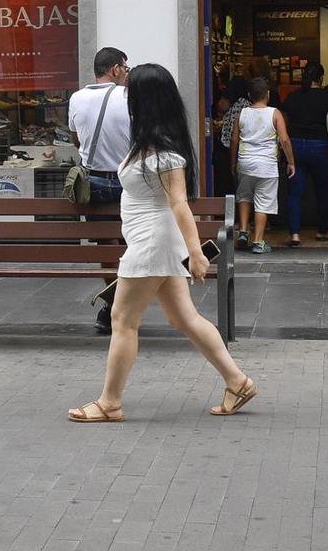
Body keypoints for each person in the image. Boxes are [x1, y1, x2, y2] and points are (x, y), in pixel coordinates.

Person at [68, 63, 257, 422]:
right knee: (184, 317)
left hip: (152, 244)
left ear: (144, 100)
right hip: (154, 241)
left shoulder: (163, 153)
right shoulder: (149, 144)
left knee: (123, 318)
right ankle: (238, 381)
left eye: (130, 91)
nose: (126, 95)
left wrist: (197, 253)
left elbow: (179, 204)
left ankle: (110, 402)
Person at [69, 47, 132, 331]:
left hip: (93, 183)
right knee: (132, 245)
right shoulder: (130, 96)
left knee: (108, 245)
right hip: (127, 182)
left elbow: (76, 139)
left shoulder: (76, 98)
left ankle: (114, 303)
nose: (128, 74)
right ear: (116, 69)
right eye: (127, 69)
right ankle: (123, 305)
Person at [282, 63, 328, 246]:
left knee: (295, 192)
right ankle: (323, 231)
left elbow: (283, 124)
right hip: (320, 147)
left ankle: (295, 234)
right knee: (324, 191)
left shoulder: (292, 97)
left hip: (295, 147)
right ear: (320, 78)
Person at [232, 77, 293, 253]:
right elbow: (284, 140)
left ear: (250, 95)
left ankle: (243, 232)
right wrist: (291, 162)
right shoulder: (275, 114)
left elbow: (235, 140)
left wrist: (233, 162)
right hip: (267, 165)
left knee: (244, 195)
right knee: (263, 203)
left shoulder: (241, 113)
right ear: (267, 94)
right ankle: (258, 242)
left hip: (245, 162)